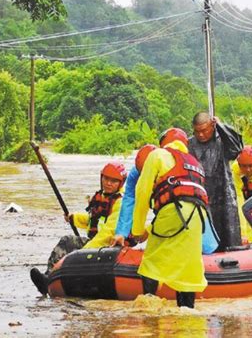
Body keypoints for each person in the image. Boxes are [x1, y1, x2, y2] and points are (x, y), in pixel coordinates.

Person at [131, 127, 209, 308]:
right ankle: (187, 312)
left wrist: (138, 230)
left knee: (151, 261)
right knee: (188, 270)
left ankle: (149, 309)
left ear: (164, 141)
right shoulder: (195, 162)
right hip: (198, 216)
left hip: (174, 210)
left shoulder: (158, 155)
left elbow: (142, 193)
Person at [30, 161, 127, 295]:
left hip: (110, 248)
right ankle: (48, 277)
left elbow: (108, 232)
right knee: (67, 241)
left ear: (121, 183)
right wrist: (74, 218)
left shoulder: (121, 202)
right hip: (97, 245)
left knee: (71, 245)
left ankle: (52, 279)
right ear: (101, 178)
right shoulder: (101, 197)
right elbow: (93, 220)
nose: (109, 183)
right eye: (106, 179)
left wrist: (84, 251)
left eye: (114, 181)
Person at [188, 112, 243, 250]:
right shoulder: (188, 144)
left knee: (229, 235)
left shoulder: (223, 140)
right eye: (197, 131)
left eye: (204, 130)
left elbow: (237, 149)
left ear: (212, 126)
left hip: (223, 194)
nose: (200, 135)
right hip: (200, 196)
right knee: (203, 235)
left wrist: (221, 126)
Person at [110, 144, 157, 247]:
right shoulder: (135, 173)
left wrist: (149, 230)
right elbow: (129, 200)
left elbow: (169, 210)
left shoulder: (168, 173)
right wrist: (121, 233)